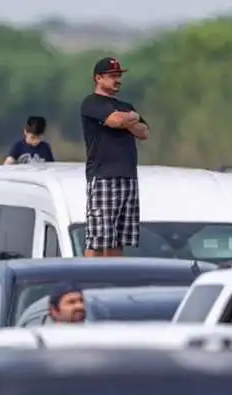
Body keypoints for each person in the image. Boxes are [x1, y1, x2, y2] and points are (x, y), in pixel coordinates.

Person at [80, 57, 149, 258]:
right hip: (103, 177)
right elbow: (116, 121)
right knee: (98, 240)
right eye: (112, 76)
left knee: (119, 240)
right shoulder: (91, 103)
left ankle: (114, 281)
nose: (117, 79)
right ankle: (88, 280)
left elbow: (143, 132)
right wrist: (131, 117)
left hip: (127, 177)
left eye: (119, 75)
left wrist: (128, 119)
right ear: (98, 78)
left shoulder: (124, 104)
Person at [21, 283, 86, 326]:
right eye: (71, 302)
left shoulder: (93, 335)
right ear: (54, 310)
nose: (80, 306)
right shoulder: (40, 338)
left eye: (81, 301)